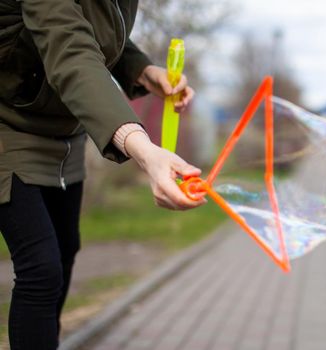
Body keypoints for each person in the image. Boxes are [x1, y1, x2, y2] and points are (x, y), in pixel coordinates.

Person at [0, 0, 205, 348]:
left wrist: (142, 71)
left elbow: (97, 26)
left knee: (64, 254)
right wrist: (144, 150)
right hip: (8, 125)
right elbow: (70, 50)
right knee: (42, 269)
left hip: (64, 131)